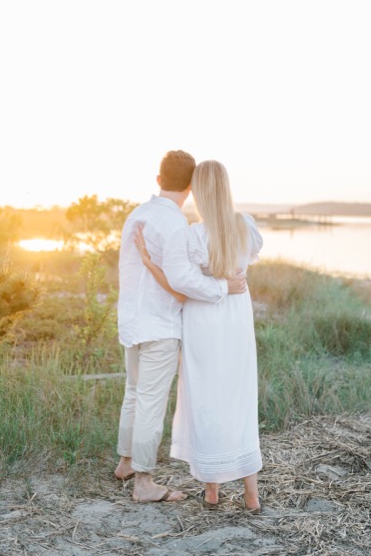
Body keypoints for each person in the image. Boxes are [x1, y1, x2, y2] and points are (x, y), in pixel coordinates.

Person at [113, 150, 247, 503]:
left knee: (134, 392)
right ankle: (144, 482)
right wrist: (223, 288)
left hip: (131, 320)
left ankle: (126, 462)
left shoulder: (136, 214)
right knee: (151, 404)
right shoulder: (175, 226)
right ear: (190, 186)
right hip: (159, 323)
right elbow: (182, 281)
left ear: (159, 180)